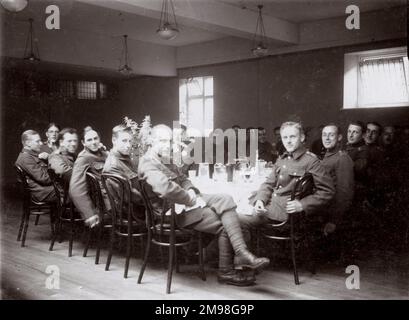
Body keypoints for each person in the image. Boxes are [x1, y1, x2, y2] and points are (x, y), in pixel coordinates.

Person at [138, 124, 270, 286]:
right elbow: (165, 189)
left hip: (185, 203)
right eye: (162, 140)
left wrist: (191, 189)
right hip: (170, 212)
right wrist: (190, 199)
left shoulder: (166, 158)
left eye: (169, 141)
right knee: (228, 223)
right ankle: (226, 271)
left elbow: (183, 178)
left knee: (226, 198)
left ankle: (240, 253)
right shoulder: (148, 163)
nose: (167, 145)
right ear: (151, 141)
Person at [240, 121, 334, 234]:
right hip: (268, 207)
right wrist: (260, 200)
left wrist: (303, 204)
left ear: (302, 137)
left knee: (230, 218)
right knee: (229, 215)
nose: (288, 141)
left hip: (282, 216)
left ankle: (239, 250)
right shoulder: (282, 158)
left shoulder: (311, 161)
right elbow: (269, 183)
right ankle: (241, 250)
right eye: (285, 137)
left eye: (292, 137)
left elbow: (327, 191)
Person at [69, 127, 108, 227]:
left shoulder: (104, 154)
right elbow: (75, 189)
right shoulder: (83, 158)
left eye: (96, 138)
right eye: (89, 140)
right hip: (107, 203)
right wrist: (89, 213)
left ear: (99, 139)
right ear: (83, 143)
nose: (94, 142)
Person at [321, 124, 354, 236]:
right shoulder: (329, 155)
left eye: (331, 135)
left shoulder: (342, 158)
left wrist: (334, 220)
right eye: (324, 135)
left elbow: (344, 192)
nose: (327, 138)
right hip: (323, 208)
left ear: (339, 137)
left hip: (330, 214)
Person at [103, 124, 143, 210]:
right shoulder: (113, 166)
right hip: (132, 211)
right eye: (124, 141)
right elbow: (128, 196)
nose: (128, 145)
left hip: (138, 206)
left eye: (130, 141)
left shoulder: (124, 159)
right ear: (114, 140)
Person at [15, 130, 56, 202]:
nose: (41, 143)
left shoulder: (32, 155)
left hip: (44, 189)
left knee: (73, 188)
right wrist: (60, 174)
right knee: (73, 190)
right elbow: (44, 179)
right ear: (28, 143)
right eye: (37, 141)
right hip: (41, 193)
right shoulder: (26, 158)